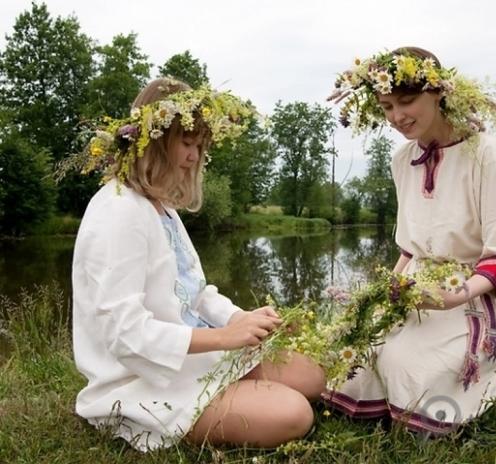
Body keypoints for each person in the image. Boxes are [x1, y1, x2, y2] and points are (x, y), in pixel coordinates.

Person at [71, 78, 326, 452]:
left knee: (312, 376)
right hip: (140, 379)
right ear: (154, 141)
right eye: (187, 144)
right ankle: (177, 413)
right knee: (294, 414)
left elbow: (195, 292)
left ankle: (236, 392)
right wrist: (222, 339)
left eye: (199, 146)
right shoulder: (118, 210)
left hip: (194, 357)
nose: (194, 157)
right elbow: (124, 333)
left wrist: (241, 319)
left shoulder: (161, 208)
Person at [322, 47, 496, 435]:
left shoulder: (487, 155)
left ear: (438, 93)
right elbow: (409, 247)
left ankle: (482, 380)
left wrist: (455, 296)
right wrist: (382, 295)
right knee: (354, 360)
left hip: (472, 293)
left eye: (407, 101)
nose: (397, 117)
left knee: (406, 368)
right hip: (415, 287)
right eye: (386, 106)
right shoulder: (402, 159)